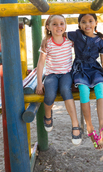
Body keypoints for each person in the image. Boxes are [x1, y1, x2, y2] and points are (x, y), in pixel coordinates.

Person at [67, 13, 103, 150]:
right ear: (79, 24)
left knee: (100, 89)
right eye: (83, 22)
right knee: (84, 90)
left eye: (90, 21)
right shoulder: (76, 35)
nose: (87, 24)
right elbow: (58, 33)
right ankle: (90, 128)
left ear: (96, 23)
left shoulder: (100, 40)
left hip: (94, 69)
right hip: (80, 68)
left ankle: (102, 129)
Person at [35, 14, 82, 145]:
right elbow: (40, 64)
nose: (58, 26)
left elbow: (85, 36)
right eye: (54, 24)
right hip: (51, 75)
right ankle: (48, 115)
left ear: (65, 26)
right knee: (49, 93)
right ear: (48, 27)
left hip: (67, 73)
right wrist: (39, 83)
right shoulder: (47, 43)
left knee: (66, 89)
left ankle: (75, 124)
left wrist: (98, 35)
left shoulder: (69, 41)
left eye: (61, 23)